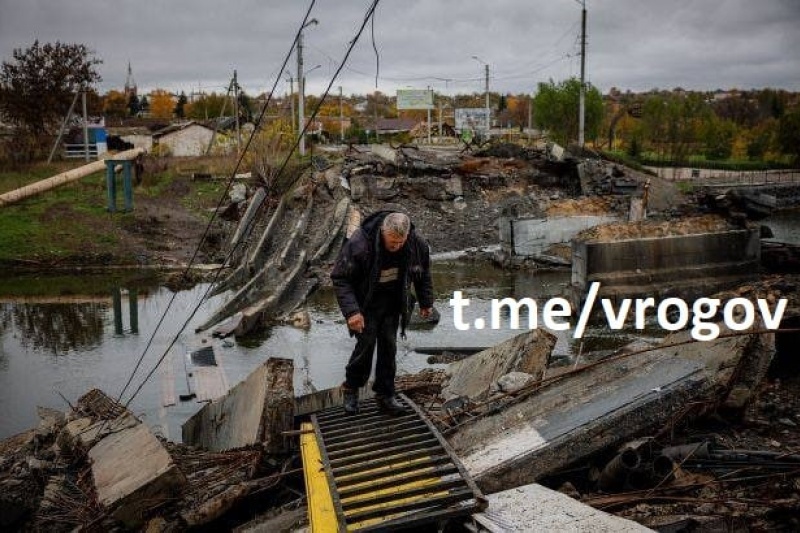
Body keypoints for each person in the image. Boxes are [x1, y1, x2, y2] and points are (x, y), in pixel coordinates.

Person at [331, 211, 434, 415]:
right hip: (366, 303)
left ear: (406, 236)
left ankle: (385, 394)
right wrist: (352, 312)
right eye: (391, 241)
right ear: (382, 231)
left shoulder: (416, 244)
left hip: (393, 302)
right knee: (365, 347)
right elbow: (340, 278)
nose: (395, 246)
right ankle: (351, 389)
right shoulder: (360, 243)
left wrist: (426, 302)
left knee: (389, 348)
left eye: (399, 242)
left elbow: (422, 273)